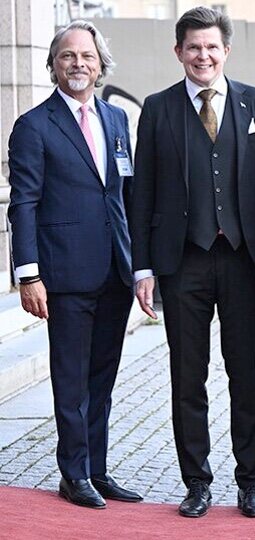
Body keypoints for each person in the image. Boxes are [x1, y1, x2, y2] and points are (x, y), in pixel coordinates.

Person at [129, 7, 255, 518]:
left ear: (226, 51)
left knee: (247, 376)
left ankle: (250, 480)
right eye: (193, 47)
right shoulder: (157, 108)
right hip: (181, 262)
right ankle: (196, 482)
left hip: (242, 262)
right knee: (186, 376)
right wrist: (143, 267)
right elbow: (142, 191)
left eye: (211, 46)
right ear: (179, 52)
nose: (202, 55)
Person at [7, 20, 142, 510]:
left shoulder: (116, 120)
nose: (78, 64)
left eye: (87, 56)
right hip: (63, 275)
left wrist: (140, 267)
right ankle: (73, 473)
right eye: (67, 56)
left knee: (102, 376)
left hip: (114, 272)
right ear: (53, 65)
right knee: (71, 377)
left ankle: (97, 469)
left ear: (101, 65)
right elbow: (22, 204)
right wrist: (28, 273)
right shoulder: (33, 126)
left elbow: (125, 196)